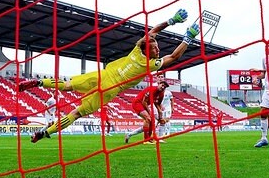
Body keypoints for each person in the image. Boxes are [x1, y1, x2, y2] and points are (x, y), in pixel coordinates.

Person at [21, 9, 199, 143]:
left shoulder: (138, 49)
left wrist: (171, 21)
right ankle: (45, 132)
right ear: (147, 48)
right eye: (155, 48)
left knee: (67, 85)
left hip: (103, 75)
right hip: (110, 87)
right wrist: (187, 38)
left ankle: (39, 84)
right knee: (76, 112)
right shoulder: (151, 64)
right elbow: (174, 56)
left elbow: (153, 32)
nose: (158, 50)